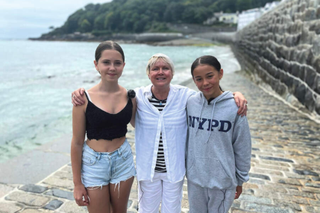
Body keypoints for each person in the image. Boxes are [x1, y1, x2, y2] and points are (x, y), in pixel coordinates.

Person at [72, 53, 248, 213]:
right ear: (148, 74)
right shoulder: (137, 96)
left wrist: (234, 96)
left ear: (172, 73)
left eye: (166, 68)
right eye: (155, 68)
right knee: (147, 210)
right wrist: (81, 92)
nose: (160, 72)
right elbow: (111, 95)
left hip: (175, 170)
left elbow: (210, 95)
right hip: (148, 170)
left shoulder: (186, 96)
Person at [71, 41, 136, 213]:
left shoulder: (130, 97)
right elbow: (77, 143)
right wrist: (77, 184)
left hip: (123, 160)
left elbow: (145, 125)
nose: (112, 68)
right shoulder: (83, 100)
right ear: (96, 65)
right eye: (106, 62)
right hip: (94, 164)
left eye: (117, 63)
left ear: (123, 65)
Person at [186, 55, 251, 213]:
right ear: (194, 80)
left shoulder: (235, 107)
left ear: (220, 73)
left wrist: (240, 180)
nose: (205, 83)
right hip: (195, 179)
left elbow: (242, 146)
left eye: (210, 76)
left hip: (223, 181)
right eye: (199, 79)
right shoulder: (190, 102)